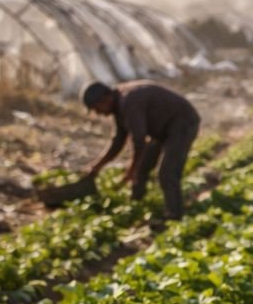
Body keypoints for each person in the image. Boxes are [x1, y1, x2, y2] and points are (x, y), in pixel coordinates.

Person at [82, 79, 200, 222]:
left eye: (96, 108)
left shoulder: (129, 102)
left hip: (183, 124)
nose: (98, 113)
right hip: (163, 128)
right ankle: (136, 203)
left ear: (105, 99)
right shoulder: (119, 106)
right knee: (142, 166)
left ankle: (174, 217)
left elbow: (139, 141)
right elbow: (118, 141)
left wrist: (132, 169)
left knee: (167, 173)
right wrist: (97, 166)